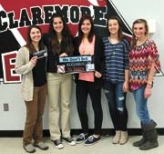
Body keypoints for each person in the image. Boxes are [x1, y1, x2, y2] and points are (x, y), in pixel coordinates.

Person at [43, 13, 75, 149]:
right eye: (55, 23)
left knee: (66, 104)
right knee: (54, 106)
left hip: (66, 74)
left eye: (60, 23)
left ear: (63, 23)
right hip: (52, 75)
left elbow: (73, 53)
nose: (58, 25)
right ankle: (55, 136)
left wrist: (67, 55)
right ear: (52, 25)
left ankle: (66, 134)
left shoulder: (69, 38)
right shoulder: (47, 37)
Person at [15, 25, 49, 153]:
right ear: (29, 35)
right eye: (33, 33)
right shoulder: (23, 50)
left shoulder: (43, 48)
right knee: (31, 117)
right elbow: (17, 69)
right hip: (31, 88)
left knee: (40, 115)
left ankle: (38, 140)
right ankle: (27, 142)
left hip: (43, 86)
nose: (36, 35)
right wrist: (30, 64)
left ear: (41, 34)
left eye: (38, 32)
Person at [129, 18, 161, 151]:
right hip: (134, 82)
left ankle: (153, 139)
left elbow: (154, 65)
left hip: (143, 83)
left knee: (140, 111)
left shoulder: (150, 43)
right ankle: (146, 137)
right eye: (135, 28)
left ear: (145, 29)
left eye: (140, 28)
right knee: (143, 110)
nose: (138, 31)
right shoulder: (134, 42)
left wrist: (148, 86)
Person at [73, 14, 104, 146]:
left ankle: (97, 133)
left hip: (94, 79)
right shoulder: (76, 40)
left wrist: (100, 72)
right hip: (80, 79)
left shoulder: (98, 39)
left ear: (91, 26)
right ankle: (85, 131)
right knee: (81, 106)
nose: (85, 26)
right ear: (80, 26)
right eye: (83, 24)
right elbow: (72, 57)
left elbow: (102, 58)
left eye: (88, 24)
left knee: (96, 106)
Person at [102, 16, 129, 145]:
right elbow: (100, 61)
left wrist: (126, 81)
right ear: (107, 27)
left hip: (120, 81)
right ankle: (117, 130)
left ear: (118, 26)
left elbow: (127, 63)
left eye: (114, 24)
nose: (112, 27)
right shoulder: (103, 42)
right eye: (110, 25)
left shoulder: (124, 42)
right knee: (112, 108)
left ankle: (124, 131)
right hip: (107, 81)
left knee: (120, 108)